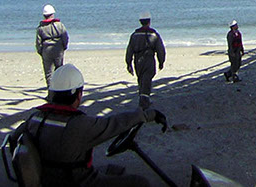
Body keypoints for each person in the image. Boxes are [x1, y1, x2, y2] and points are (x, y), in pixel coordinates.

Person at [10, 63, 166, 186]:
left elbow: (14, 139)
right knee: (140, 182)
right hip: (78, 181)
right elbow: (115, 123)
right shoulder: (78, 125)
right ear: (79, 95)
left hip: (50, 178)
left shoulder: (35, 119)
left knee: (114, 170)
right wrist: (149, 115)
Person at [125, 12, 166, 108]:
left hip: (138, 60)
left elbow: (129, 50)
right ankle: (145, 99)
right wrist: (161, 62)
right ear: (149, 22)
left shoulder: (134, 35)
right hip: (149, 59)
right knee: (147, 78)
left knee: (141, 79)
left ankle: (142, 97)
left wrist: (128, 63)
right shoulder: (154, 34)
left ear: (140, 22)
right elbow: (160, 50)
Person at [36, 4, 70, 88]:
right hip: (58, 48)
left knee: (48, 72)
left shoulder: (41, 27)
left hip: (46, 49)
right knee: (59, 70)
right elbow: (65, 37)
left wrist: (41, 51)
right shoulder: (59, 25)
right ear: (52, 14)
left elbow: (38, 42)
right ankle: (60, 88)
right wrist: (64, 47)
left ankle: (51, 90)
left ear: (44, 15)